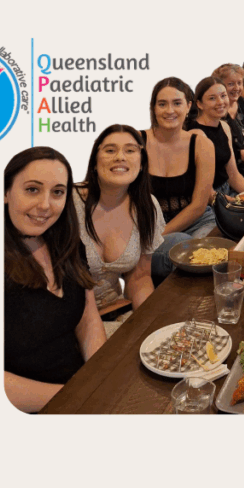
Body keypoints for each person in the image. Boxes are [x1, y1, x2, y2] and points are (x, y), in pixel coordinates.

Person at [4, 146, 106, 413]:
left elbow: (88, 318)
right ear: (5, 192)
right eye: (32, 189)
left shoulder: (68, 245)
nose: (45, 205)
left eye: (57, 192)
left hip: (80, 388)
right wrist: (76, 398)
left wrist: (101, 377)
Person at [72, 125, 166, 337]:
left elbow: (139, 278)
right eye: (110, 150)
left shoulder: (146, 207)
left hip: (115, 310)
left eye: (130, 150)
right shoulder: (67, 203)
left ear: (141, 163)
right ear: (95, 162)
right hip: (70, 321)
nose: (120, 157)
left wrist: (150, 322)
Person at [140, 77, 218, 284]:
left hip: (197, 221)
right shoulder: (136, 141)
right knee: (189, 252)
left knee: (204, 253)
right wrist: (154, 237)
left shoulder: (201, 144)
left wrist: (163, 235)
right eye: (162, 104)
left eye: (177, 103)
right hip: (151, 229)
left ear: (189, 106)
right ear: (153, 108)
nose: (169, 110)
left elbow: (199, 206)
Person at [187, 76, 244, 196]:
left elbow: (233, 175)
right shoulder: (196, 134)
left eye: (223, 96)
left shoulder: (225, 126)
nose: (220, 102)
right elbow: (202, 189)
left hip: (227, 191)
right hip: (209, 200)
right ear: (199, 104)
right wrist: (232, 203)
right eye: (212, 98)